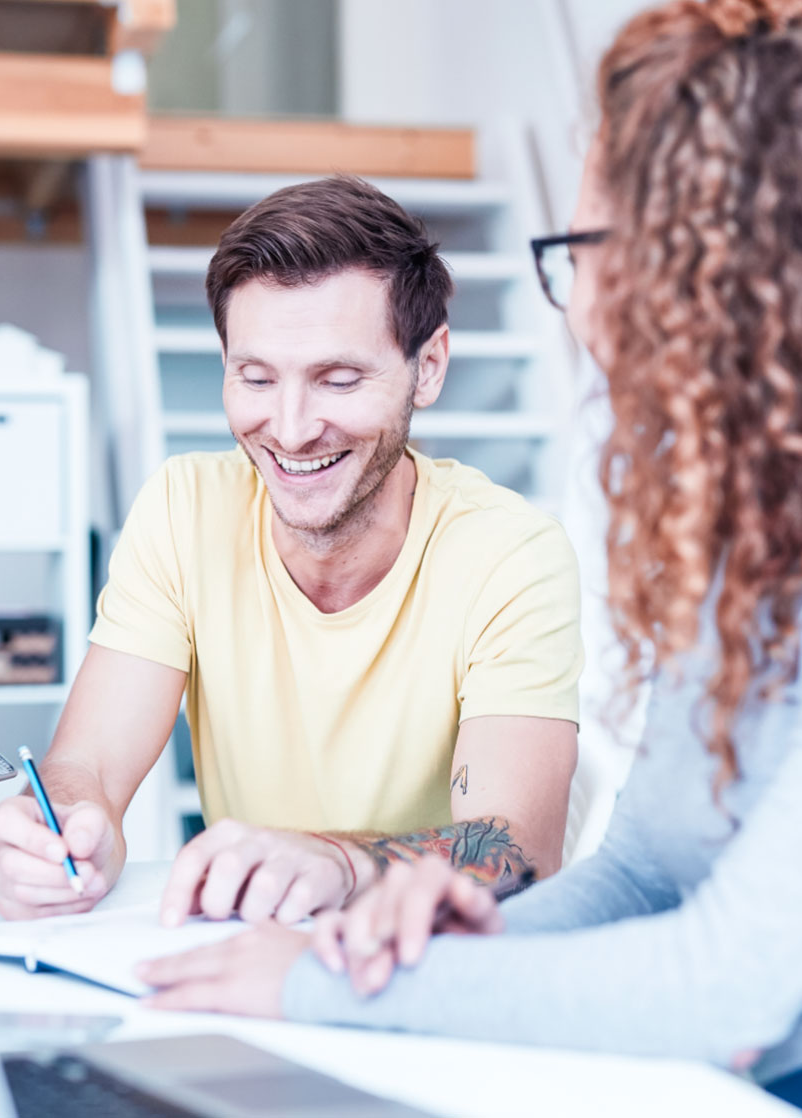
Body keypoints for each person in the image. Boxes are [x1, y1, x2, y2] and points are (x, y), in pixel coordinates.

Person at [131, 1, 802, 1106]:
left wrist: (320, 987)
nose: (575, 303)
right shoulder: (740, 533)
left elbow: (731, 982)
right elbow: (641, 872)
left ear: (720, 273)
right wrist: (440, 947)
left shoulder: (511, 544)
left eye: (585, 251)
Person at [0, 175, 583, 927]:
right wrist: (65, 829)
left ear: (427, 368)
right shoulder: (183, 509)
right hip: (252, 963)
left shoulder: (510, 553)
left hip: (438, 966)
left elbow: (517, 848)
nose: (292, 428)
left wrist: (337, 863)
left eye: (337, 379)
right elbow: (88, 768)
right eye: (256, 377)